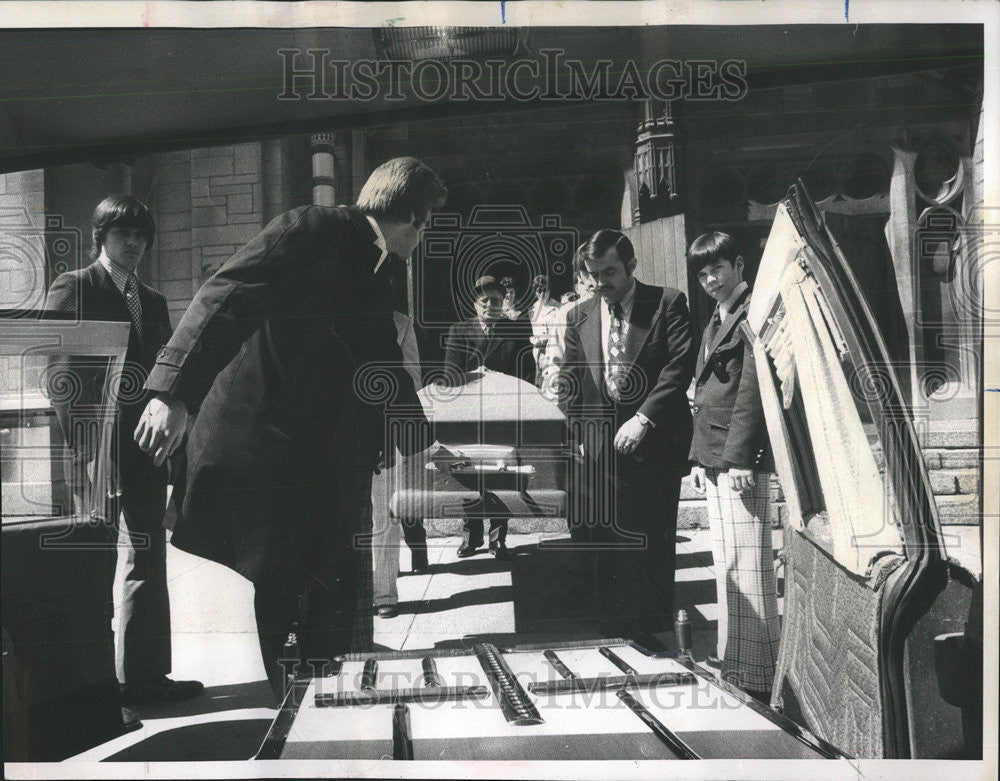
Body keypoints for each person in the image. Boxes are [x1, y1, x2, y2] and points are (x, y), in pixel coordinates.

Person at [134, 157, 446, 697]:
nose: (423, 237)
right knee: (279, 583)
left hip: (310, 452)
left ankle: (318, 706)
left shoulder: (374, 265)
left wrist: (421, 441)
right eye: (426, 226)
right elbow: (224, 296)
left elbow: (379, 360)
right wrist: (171, 394)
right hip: (260, 445)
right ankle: (288, 718)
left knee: (331, 581)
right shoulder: (312, 227)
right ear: (414, 219)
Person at [45, 195, 203, 713]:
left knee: (146, 558)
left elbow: (166, 375)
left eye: (140, 235)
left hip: (144, 451)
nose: (133, 243)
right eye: (122, 234)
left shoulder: (153, 301)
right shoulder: (76, 287)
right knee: (89, 566)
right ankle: (90, 690)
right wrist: (91, 451)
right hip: (97, 452)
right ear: (101, 237)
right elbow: (60, 376)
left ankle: (146, 679)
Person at [557, 230, 694, 645]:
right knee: (607, 537)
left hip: (653, 441)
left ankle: (650, 627)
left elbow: (679, 365)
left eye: (610, 272)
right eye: (593, 274)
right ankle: (613, 625)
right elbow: (570, 380)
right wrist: (577, 430)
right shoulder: (578, 315)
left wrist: (643, 418)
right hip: (599, 446)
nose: (601, 283)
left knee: (651, 535)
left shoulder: (667, 302)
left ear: (632, 266)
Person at [687, 231, 780, 702]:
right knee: (728, 566)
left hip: (739, 460)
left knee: (749, 571)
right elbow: (706, 394)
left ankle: (759, 678)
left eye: (717, 270)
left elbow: (751, 392)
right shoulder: (717, 318)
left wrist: (740, 458)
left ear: (739, 265)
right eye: (702, 274)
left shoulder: (749, 315)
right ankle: (737, 668)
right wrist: (701, 459)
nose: (709, 281)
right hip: (718, 457)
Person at [442, 275, 535, 559]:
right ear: (475, 304)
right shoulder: (459, 331)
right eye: (485, 301)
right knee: (469, 477)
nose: (491, 306)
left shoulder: (516, 330)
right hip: (469, 417)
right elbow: (450, 376)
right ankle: (470, 538)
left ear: (503, 301)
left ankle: (498, 539)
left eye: (496, 300)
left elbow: (528, 373)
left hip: (502, 414)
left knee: (498, 475)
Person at [527, 274, 561, 389]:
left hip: (551, 351)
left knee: (550, 383)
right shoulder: (532, 309)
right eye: (538, 291)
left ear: (549, 291)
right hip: (537, 354)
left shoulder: (557, 308)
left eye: (544, 291)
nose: (541, 294)